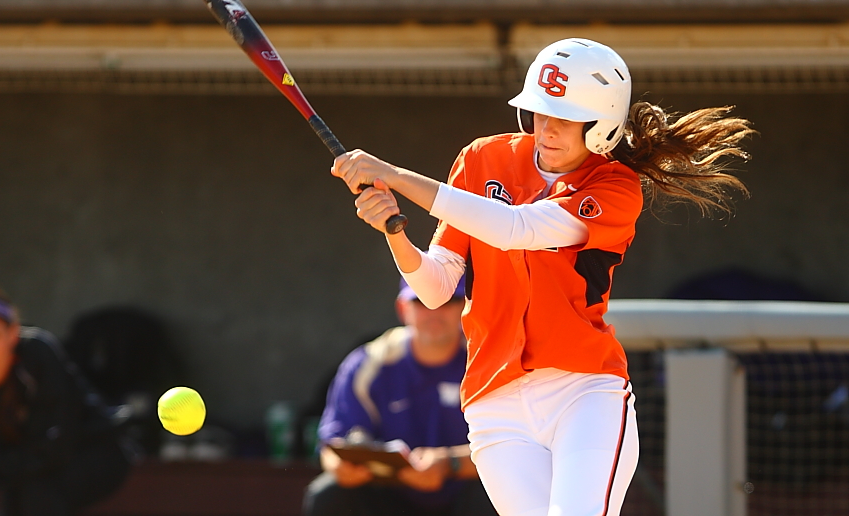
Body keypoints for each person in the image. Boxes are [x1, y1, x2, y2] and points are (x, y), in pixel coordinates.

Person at [331, 38, 754, 516]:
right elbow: (435, 289)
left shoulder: (615, 187)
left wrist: (397, 176)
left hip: (583, 391)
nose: (546, 129)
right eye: (538, 112)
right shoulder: (483, 158)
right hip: (494, 403)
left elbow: (517, 228)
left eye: (565, 117)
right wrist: (394, 230)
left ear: (601, 125)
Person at [305, 274, 498, 516]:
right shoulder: (369, 363)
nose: (434, 311)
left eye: (447, 301)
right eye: (421, 301)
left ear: (466, 306)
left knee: (503, 489)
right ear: (402, 308)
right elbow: (331, 445)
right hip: (389, 495)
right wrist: (343, 468)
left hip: (465, 494)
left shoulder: (491, 362)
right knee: (329, 494)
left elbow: (515, 448)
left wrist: (450, 463)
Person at [0, 281, 132, 516]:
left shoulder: (38, 355)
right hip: (22, 466)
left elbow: (53, 450)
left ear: (12, 334)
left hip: (90, 452)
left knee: (36, 495)